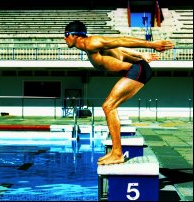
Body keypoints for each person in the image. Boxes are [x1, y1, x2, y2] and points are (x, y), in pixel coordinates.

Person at [64, 20, 174, 165]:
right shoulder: (92, 46)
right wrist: (141, 54)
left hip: (137, 69)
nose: (64, 39)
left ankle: (117, 153)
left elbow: (120, 40)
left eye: (65, 35)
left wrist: (152, 45)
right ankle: (116, 152)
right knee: (109, 106)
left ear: (73, 35)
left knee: (108, 106)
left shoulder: (91, 42)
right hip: (137, 67)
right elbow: (119, 47)